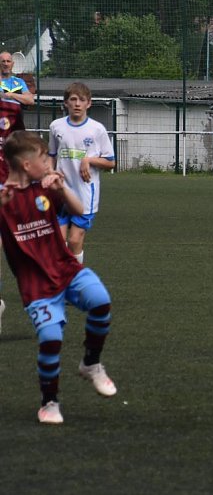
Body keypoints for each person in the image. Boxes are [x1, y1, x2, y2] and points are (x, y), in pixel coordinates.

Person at [0, 131, 116, 424]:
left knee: (101, 301)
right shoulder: (4, 199)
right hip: (36, 285)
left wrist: (63, 188)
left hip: (66, 269)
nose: (49, 162)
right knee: (51, 339)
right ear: (27, 164)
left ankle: (91, 363)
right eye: (43, 159)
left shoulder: (47, 187)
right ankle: (49, 402)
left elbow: (79, 210)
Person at [48, 82, 115, 264]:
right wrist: (48, 175)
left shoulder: (97, 129)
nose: (77, 103)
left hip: (84, 194)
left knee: (75, 240)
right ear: (66, 103)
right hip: (60, 193)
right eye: (73, 99)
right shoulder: (56, 126)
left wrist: (89, 160)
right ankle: (60, 284)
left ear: (89, 103)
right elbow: (51, 156)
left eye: (82, 100)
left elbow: (110, 162)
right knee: (58, 243)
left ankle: (74, 280)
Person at [0, 51, 33, 335]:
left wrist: (9, 96)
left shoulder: (17, 85)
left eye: (8, 61)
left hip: (11, 162)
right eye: (2, 61)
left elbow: (30, 101)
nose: (5, 64)